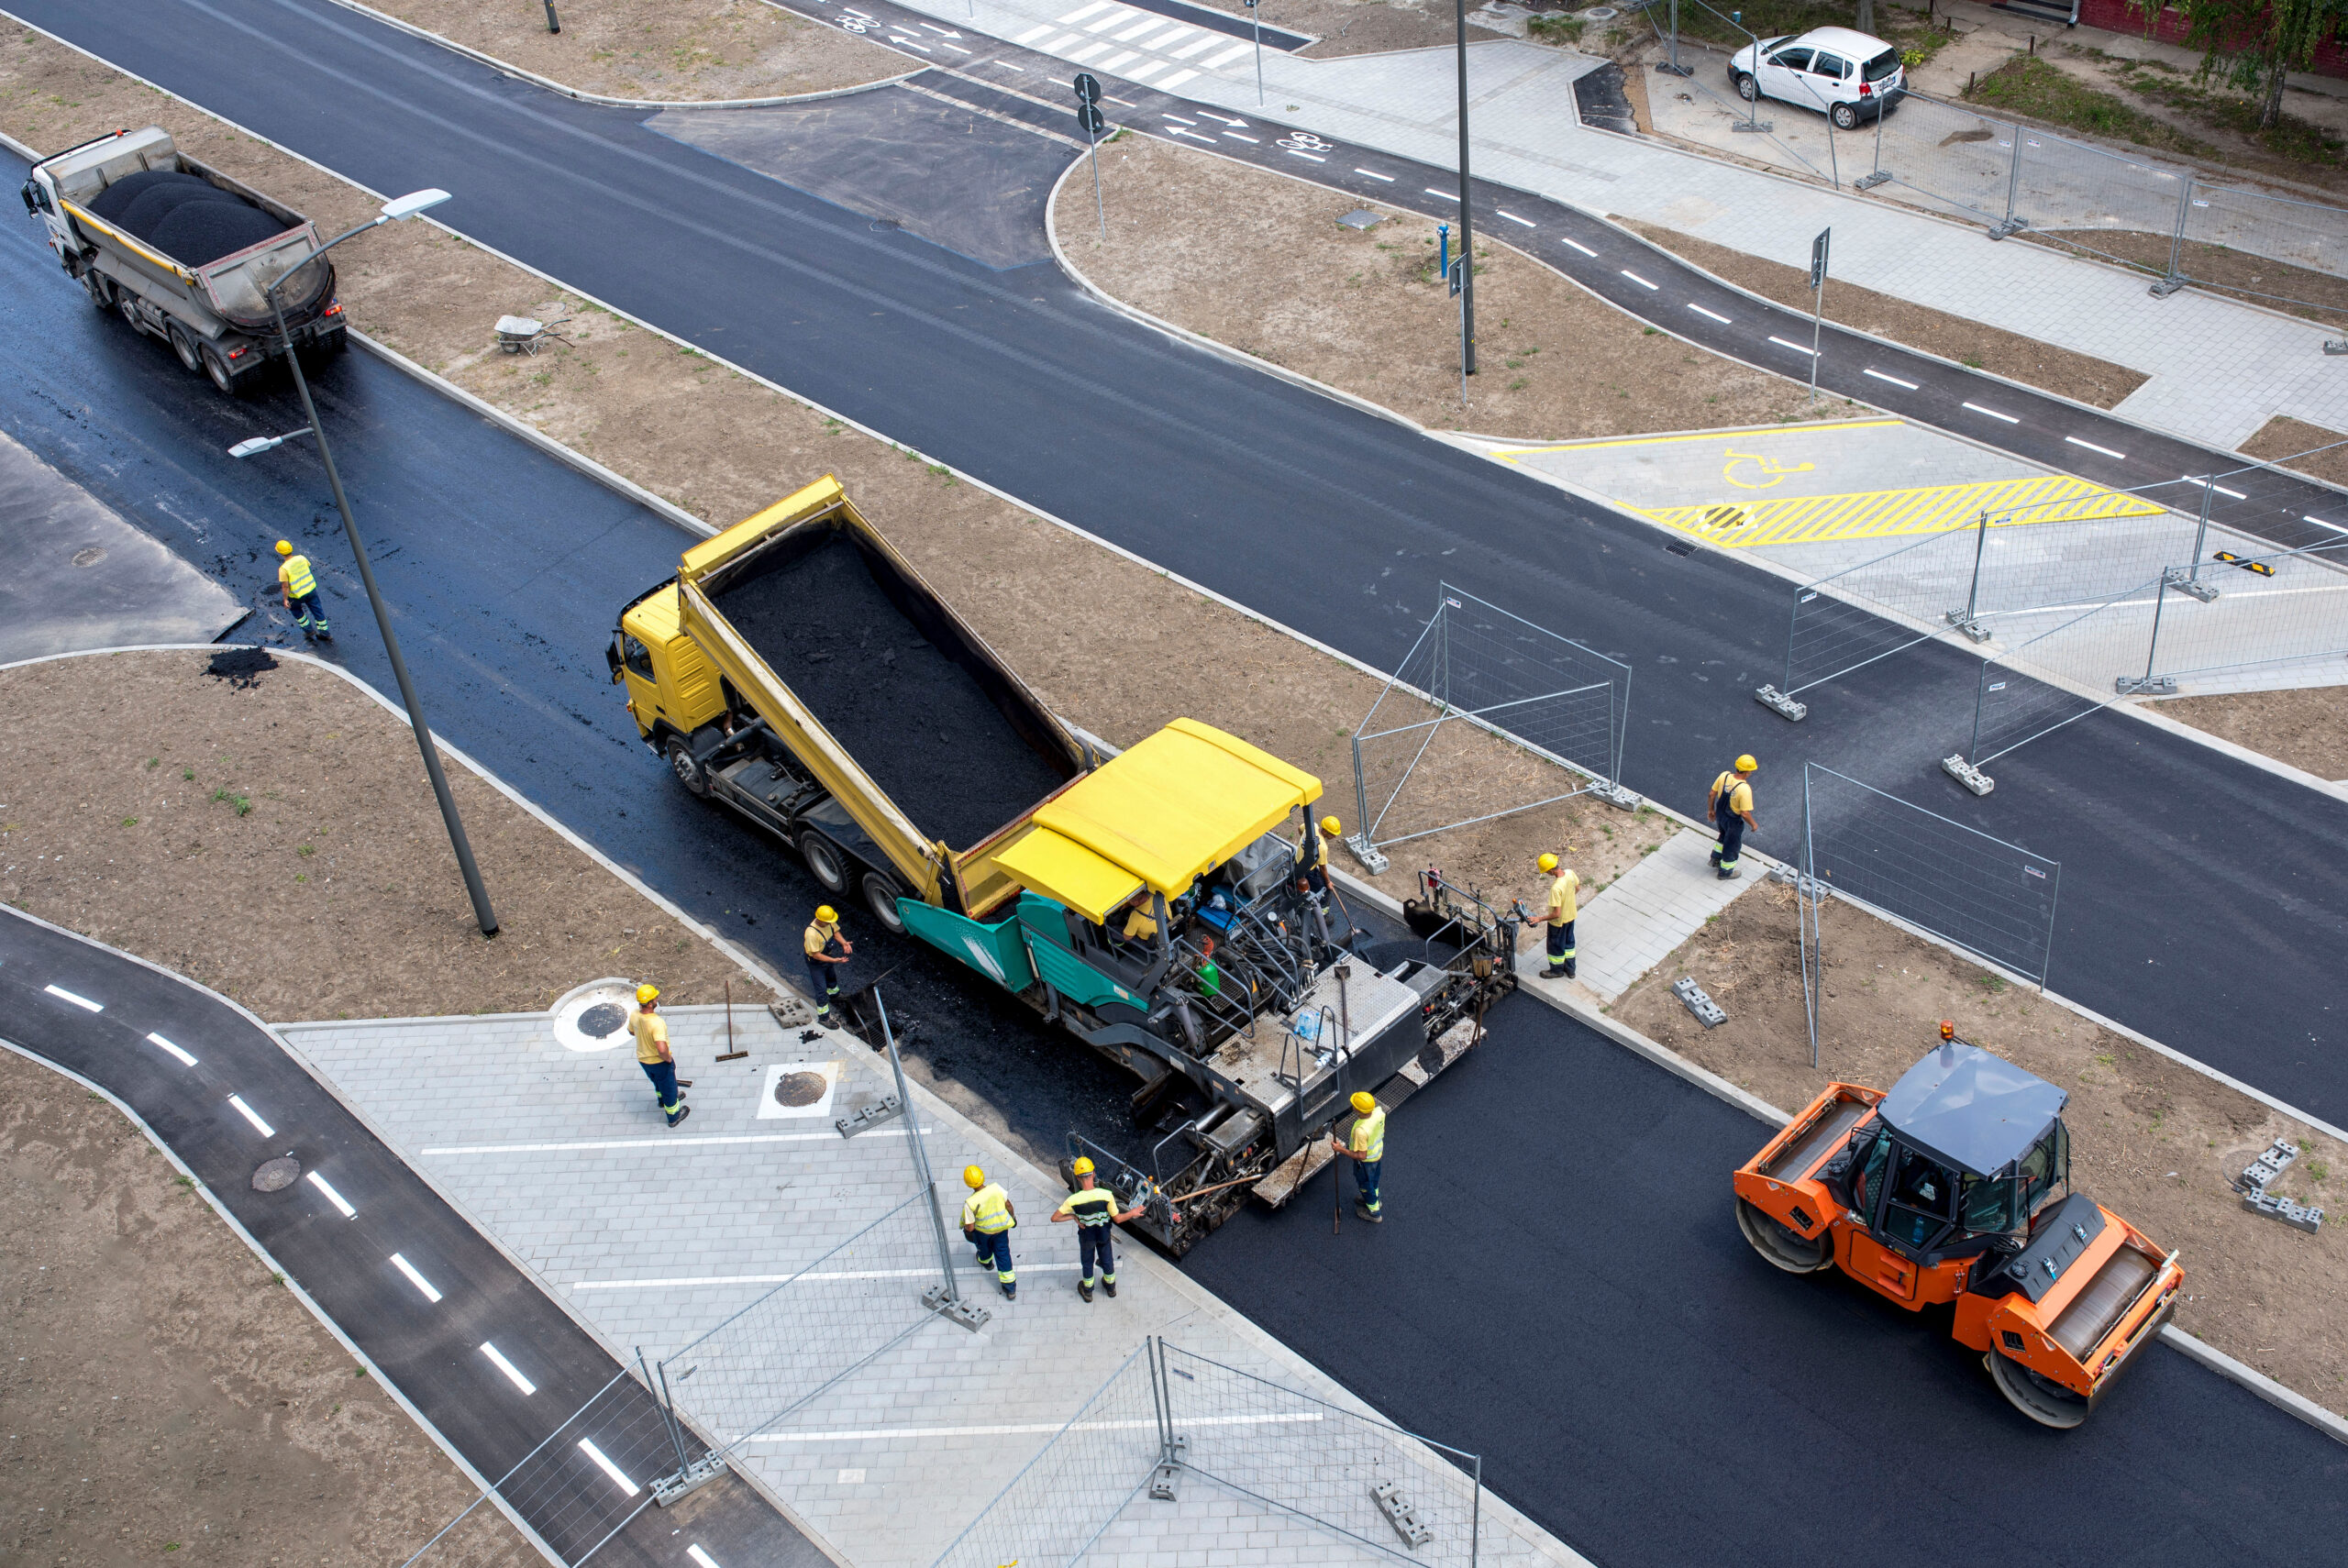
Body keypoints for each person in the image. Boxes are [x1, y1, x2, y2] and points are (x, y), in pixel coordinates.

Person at [1050, 1155, 1150, 1302]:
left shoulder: (1074, 1200)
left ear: (1077, 1177)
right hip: (1103, 1234)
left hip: (1086, 1236)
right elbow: (1118, 1219)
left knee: (1087, 1261)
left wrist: (1072, 1217)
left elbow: (1055, 1218)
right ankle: (1111, 1288)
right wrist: (1133, 1213)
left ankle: (1088, 1291)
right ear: (1094, 1173)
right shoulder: (1106, 1195)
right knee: (1107, 1259)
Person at [631, 984, 690, 1128]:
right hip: (658, 1061)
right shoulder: (656, 1022)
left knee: (657, 1082)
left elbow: (632, 1032)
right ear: (650, 1003)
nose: (657, 999)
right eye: (655, 998)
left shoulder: (634, 1015)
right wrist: (668, 1059)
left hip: (643, 1059)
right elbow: (661, 1049)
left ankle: (661, 1100)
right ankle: (674, 1116)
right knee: (669, 1087)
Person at [1328, 1089, 1386, 1223]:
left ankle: (1374, 1213)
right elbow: (1382, 1130)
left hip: (1366, 1163)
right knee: (1374, 1182)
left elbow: (1361, 1155)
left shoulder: (1361, 1130)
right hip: (1377, 1157)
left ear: (1357, 1110)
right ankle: (1375, 1200)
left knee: (1365, 1186)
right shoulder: (1379, 1112)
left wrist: (1340, 1149)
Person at [959, 1165, 1018, 1299]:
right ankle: (1010, 1288)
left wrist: (969, 1232)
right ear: (982, 1176)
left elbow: (970, 1227)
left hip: (983, 1233)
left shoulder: (970, 1203)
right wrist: (1013, 1218)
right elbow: (1008, 1205)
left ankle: (986, 1262)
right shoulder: (996, 1188)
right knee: (1003, 1254)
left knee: (984, 1249)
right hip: (1001, 1230)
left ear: (967, 1184)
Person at [1708, 755, 1761, 881]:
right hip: (1732, 821)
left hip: (1720, 816)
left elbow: (1711, 794)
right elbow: (1745, 813)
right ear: (1748, 772)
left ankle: (1715, 859)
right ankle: (1725, 872)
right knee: (1731, 845)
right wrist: (1753, 825)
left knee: (1722, 836)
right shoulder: (1744, 789)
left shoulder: (1724, 776)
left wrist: (1711, 810)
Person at [275, 540, 331, 641]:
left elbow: (285, 586)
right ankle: (324, 633)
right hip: (310, 590)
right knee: (317, 610)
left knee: (297, 611)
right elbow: (306, 567)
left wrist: (285, 599)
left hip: (296, 595)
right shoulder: (302, 558)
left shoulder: (283, 569)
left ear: (280, 552)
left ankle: (309, 630)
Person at [1535, 852, 1578, 980]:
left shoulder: (1556, 888)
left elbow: (1556, 914)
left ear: (1550, 871)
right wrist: (1568, 900)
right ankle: (1571, 970)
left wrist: (1539, 919)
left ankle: (1556, 970)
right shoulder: (1570, 873)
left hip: (1558, 923)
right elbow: (1578, 888)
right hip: (1571, 917)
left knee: (1555, 946)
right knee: (1569, 944)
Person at [803, 904, 851, 1021]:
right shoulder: (811, 934)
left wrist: (844, 943)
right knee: (821, 989)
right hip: (816, 962)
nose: (831, 923)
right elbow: (816, 955)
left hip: (827, 956)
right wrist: (834, 960)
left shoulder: (828, 922)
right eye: (828, 921)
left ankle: (834, 995)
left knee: (831, 976)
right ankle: (824, 1018)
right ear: (820, 920)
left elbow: (835, 932)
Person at [1298, 814, 1342, 900]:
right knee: (1324, 889)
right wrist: (1328, 882)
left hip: (1297, 862)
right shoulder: (1322, 846)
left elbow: (1300, 828)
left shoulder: (1312, 826)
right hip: (1308, 870)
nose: (1334, 837)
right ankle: (1322, 909)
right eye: (1332, 834)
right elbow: (1322, 867)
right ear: (1325, 831)